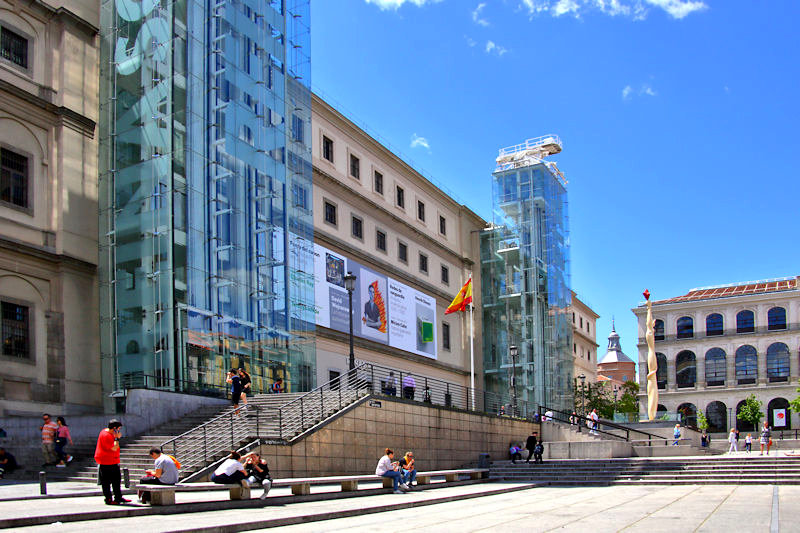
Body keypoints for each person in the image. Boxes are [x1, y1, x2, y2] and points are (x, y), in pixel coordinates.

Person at [95, 419, 129, 505]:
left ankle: (118, 497)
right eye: (118, 429)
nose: (119, 431)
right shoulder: (106, 435)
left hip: (113, 460)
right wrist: (117, 438)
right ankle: (109, 499)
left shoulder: (106, 432)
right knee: (106, 482)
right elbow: (114, 447)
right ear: (114, 428)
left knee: (116, 480)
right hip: (107, 461)